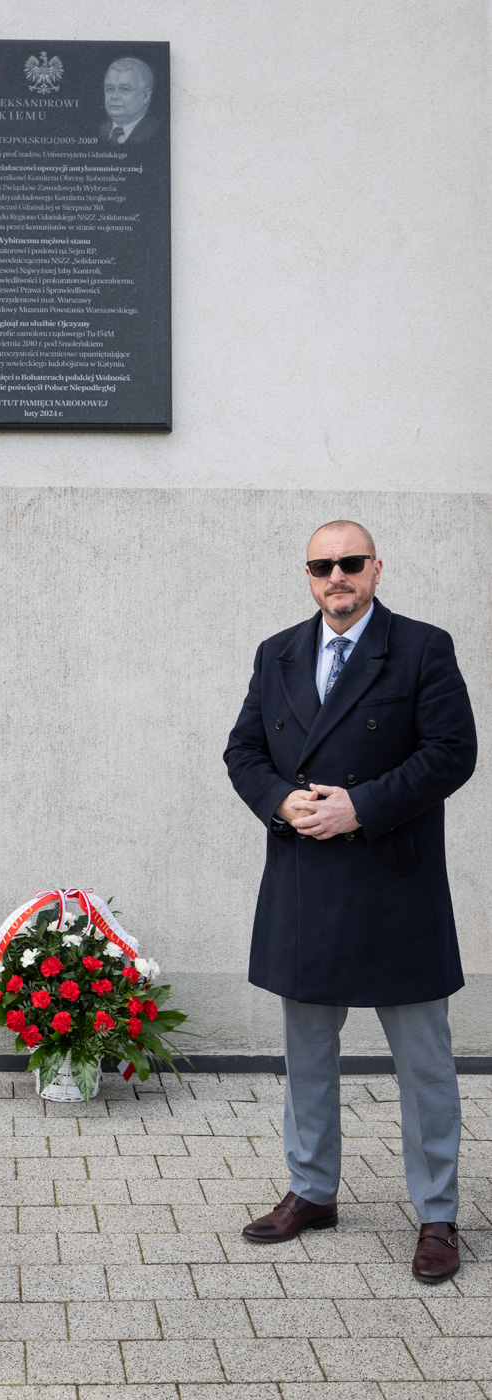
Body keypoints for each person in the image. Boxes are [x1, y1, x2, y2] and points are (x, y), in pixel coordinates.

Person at [224, 520, 476, 1283]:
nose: (336, 575)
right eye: (321, 565)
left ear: (374, 568)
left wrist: (359, 807)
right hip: (306, 882)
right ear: (308, 576)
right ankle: (311, 1192)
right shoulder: (277, 652)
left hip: (395, 882)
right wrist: (281, 801)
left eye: (349, 562)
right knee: (306, 1054)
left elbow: (451, 752)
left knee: (423, 1064)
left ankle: (436, 1214)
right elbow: (243, 751)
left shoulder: (421, 647)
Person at [99, 57, 160, 145]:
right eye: (110, 89)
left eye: (125, 89)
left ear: (146, 96)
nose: (114, 96)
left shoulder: (158, 132)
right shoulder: (100, 132)